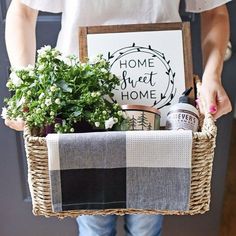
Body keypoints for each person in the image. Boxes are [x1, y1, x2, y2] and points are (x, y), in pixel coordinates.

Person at [4, 0, 232, 235]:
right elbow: (23, 9)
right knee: (94, 226)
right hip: (80, 102)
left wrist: (213, 76)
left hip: (159, 100)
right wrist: (26, 87)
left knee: (147, 224)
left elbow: (215, 11)